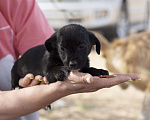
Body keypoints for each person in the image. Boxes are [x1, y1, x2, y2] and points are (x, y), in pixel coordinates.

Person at [0, 0, 141, 120]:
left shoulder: (16, 3)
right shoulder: (49, 54)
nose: (72, 61)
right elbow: (50, 68)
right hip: (17, 80)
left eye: (81, 47)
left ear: (94, 44)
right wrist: (59, 81)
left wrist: (93, 72)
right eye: (64, 50)